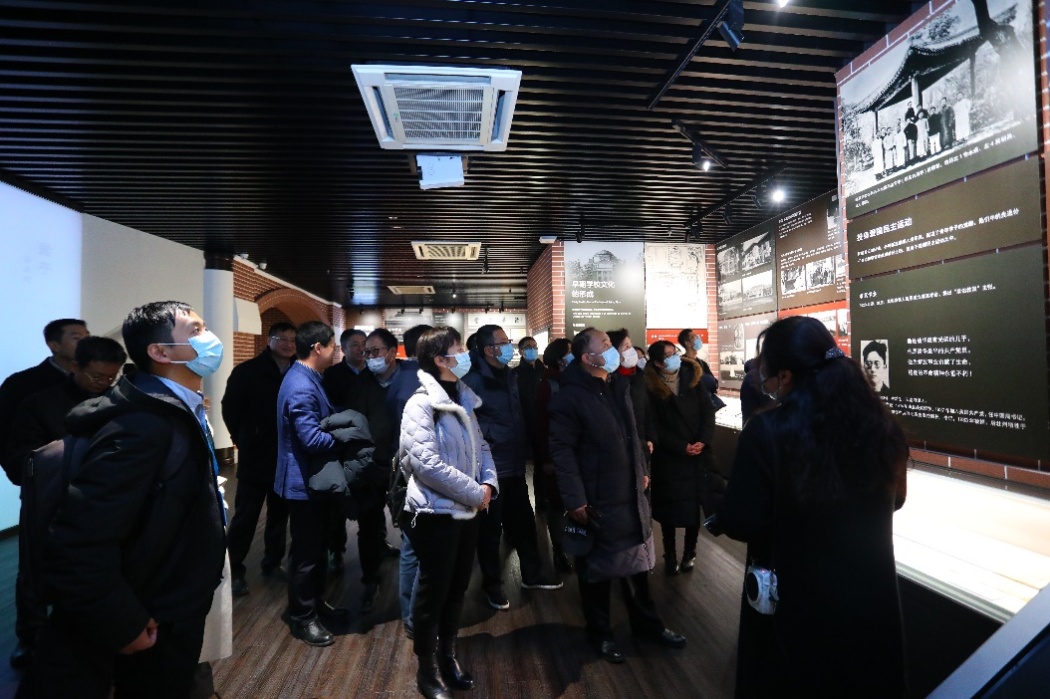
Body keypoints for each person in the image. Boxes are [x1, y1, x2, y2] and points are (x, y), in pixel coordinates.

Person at [16, 301, 227, 699]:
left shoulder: (175, 408)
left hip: (168, 599)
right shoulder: (142, 425)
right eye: (196, 330)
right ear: (160, 352)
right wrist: (122, 622)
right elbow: (80, 539)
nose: (210, 338)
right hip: (149, 614)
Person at [716, 316, 908, 697]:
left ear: (785, 376)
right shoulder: (880, 423)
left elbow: (740, 520)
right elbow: (896, 499)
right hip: (871, 598)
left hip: (796, 605)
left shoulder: (767, 431)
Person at [549, 328, 686, 665]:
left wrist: (642, 468)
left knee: (637, 565)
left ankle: (647, 625)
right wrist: (575, 499)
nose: (613, 351)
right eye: (606, 345)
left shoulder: (616, 386)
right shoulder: (570, 396)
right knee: (596, 570)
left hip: (628, 492)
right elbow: (562, 451)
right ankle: (600, 634)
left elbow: (632, 434)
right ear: (587, 357)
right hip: (597, 496)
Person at [6, 336, 125, 670]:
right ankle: (31, 637)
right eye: (97, 376)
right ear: (75, 366)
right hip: (49, 499)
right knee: (35, 571)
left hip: (102, 501)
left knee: (96, 568)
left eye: (111, 377)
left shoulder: (117, 400)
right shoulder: (39, 403)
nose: (104, 383)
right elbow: (19, 458)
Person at [399, 326, 499, 699]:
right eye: (459, 349)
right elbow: (426, 464)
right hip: (436, 513)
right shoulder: (421, 403)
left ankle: (448, 655)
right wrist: (476, 493)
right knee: (433, 592)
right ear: (440, 359)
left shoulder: (463, 398)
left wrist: (488, 484)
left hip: (468, 510)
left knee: (457, 588)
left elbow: (481, 447)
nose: (465, 354)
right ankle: (426, 668)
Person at [463, 324, 561, 611]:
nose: (509, 347)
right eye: (503, 342)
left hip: (515, 464)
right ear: (488, 349)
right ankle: (492, 586)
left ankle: (532, 575)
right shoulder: (471, 380)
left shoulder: (509, 375)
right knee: (490, 533)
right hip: (489, 470)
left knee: (525, 525)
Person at [274, 320, 347, 647]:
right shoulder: (301, 384)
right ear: (318, 348)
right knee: (306, 554)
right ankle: (302, 617)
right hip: (303, 482)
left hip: (311, 480)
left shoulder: (306, 376)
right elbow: (312, 440)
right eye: (333, 346)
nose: (336, 352)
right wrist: (347, 437)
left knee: (315, 550)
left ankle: (315, 605)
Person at [221, 322, 296, 597]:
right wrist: (243, 438)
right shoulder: (248, 371)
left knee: (279, 515)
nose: (288, 344)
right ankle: (233, 570)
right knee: (246, 516)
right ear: (269, 340)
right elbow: (230, 408)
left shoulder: (299, 371)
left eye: (293, 340)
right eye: (282, 338)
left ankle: (272, 563)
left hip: (287, 457)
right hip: (256, 456)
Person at [644, 340, 719, 577]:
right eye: (668, 355)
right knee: (669, 509)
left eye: (674, 352)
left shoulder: (693, 378)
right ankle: (670, 555)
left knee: (692, 508)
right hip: (670, 456)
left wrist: (702, 441)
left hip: (696, 455)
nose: (675, 357)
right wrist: (680, 446)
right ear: (658, 363)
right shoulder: (650, 386)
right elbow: (653, 425)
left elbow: (708, 412)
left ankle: (689, 553)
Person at [342, 327, 403, 613]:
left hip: (405, 465)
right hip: (371, 466)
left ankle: (414, 585)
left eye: (375, 351)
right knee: (368, 526)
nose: (369, 357)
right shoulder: (361, 383)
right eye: (366, 352)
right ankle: (370, 581)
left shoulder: (409, 379)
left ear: (392, 352)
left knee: (411, 523)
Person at [0, 318, 90, 488]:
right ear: (54, 345)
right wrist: (23, 474)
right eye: (77, 338)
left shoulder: (95, 381)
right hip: (43, 480)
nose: (86, 344)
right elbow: (5, 432)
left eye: (88, 338)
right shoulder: (21, 383)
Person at [387, 324, 432, 638]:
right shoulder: (416, 383)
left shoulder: (401, 378)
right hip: (419, 477)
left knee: (412, 546)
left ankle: (412, 613)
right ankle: (416, 616)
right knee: (419, 548)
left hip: (407, 474)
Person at [322, 328, 370, 573]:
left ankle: (376, 545)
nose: (361, 349)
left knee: (371, 501)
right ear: (343, 348)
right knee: (337, 502)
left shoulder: (373, 373)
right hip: (341, 447)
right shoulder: (332, 375)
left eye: (364, 344)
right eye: (355, 344)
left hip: (369, 447)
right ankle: (336, 550)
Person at [532, 338, 574, 573]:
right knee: (557, 504)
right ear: (560, 358)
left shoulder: (575, 379)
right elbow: (542, 425)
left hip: (577, 453)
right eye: (569, 352)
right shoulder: (549, 384)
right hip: (557, 454)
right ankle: (559, 549)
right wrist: (547, 459)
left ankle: (576, 544)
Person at [607, 329, 651, 458]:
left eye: (631, 345)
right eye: (626, 346)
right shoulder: (608, 380)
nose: (632, 350)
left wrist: (650, 438)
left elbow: (648, 410)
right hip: (618, 446)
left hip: (641, 442)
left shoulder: (640, 377)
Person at [512, 336, 544, 461]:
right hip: (524, 423)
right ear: (521, 351)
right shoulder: (514, 374)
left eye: (535, 347)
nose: (533, 349)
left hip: (543, 421)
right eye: (528, 347)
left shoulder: (544, 371)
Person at [678, 328, 718, 396]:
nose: (698, 338)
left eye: (697, 336)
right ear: (687, 343)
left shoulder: (702, 363)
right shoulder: (682, 363)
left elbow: (714, 382)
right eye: (694, 337)